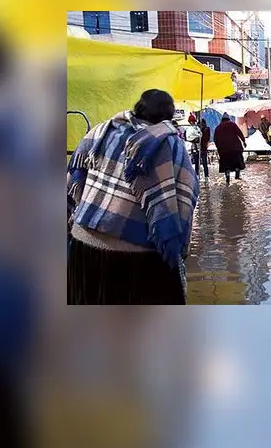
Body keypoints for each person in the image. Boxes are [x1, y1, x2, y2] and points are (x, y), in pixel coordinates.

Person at [67, 89, 198, 304]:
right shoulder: (169, 142)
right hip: (134, 257)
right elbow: (184, 196)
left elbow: (75, 176)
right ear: (168, 114)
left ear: (139, 107)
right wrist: (178, 248)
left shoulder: (104, 129)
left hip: (82, 244)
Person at [214, 113, 246, 183]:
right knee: (237, 163)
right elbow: (239, 133)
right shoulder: (232, 124)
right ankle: (237, 175)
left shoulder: (218, 127)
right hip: (235, 148)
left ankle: (227, 176)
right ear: (228, 119)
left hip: (223, 151)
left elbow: (215, 139)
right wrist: (244, 141)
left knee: (226, 165)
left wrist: (218, 147)